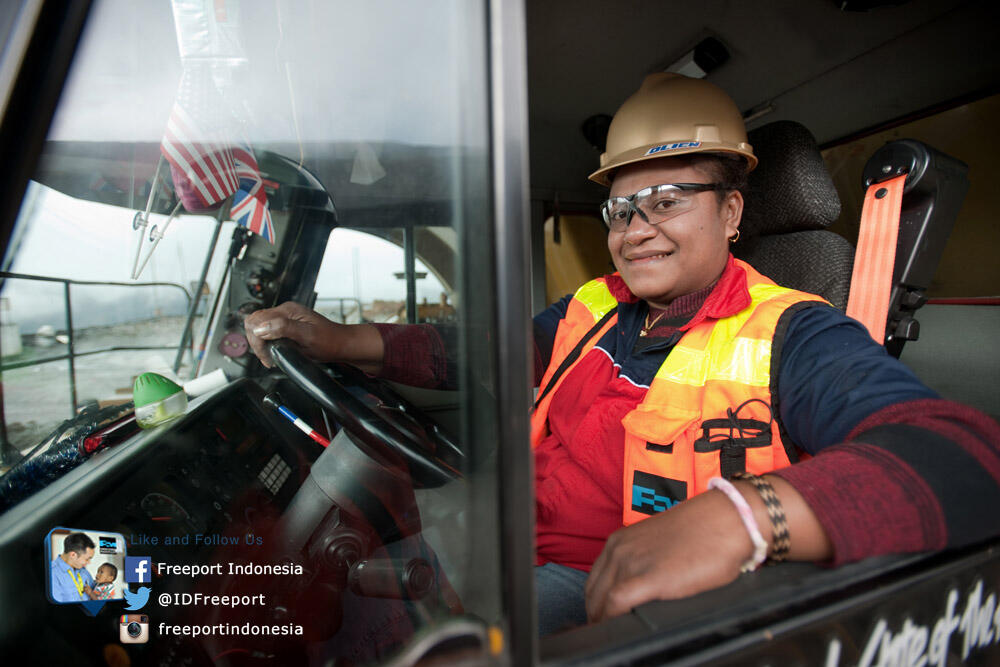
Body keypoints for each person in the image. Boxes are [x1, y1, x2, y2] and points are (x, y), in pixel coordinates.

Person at [245, 73, 1000, 636]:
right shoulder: (595, 304)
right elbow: (479, 355)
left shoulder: (792, 332)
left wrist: (743, 514)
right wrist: (337, 339)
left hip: (599, 587)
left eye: (669, 198)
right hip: (510, 537)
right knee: (325, 597)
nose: (637, 228)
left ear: (732, 211)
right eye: (622, 207)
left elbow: (963, 452)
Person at [49, 532, 96, 603]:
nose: (89, 562)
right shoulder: (51, 573)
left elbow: (97, 594)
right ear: (73, 555)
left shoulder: (84, 571)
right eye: (87, 559)